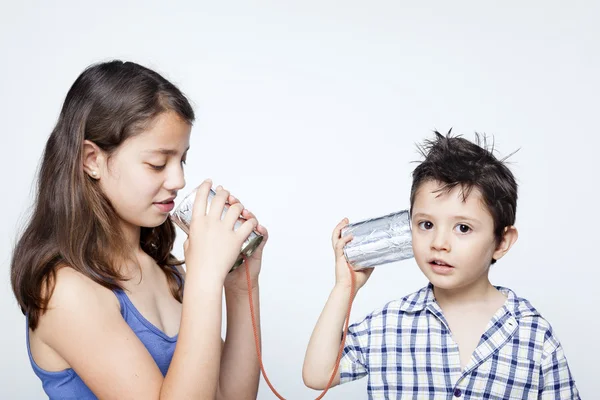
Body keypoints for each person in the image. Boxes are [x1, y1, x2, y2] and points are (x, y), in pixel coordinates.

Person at [11, 60, 267, 399]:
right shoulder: (65, 292)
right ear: (92, 160)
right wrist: (205, 282)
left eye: (182, 160)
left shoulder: (166, 274)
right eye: (157, 163)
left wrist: (240, 288)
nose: (179, 180)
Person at [303, 131, 579, 398]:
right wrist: (344, 287)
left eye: (462, 227)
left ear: (502, 242)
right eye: (426, 224)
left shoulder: (531, 333)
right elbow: (318, 375)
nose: (439, 242)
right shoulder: (390, 323)